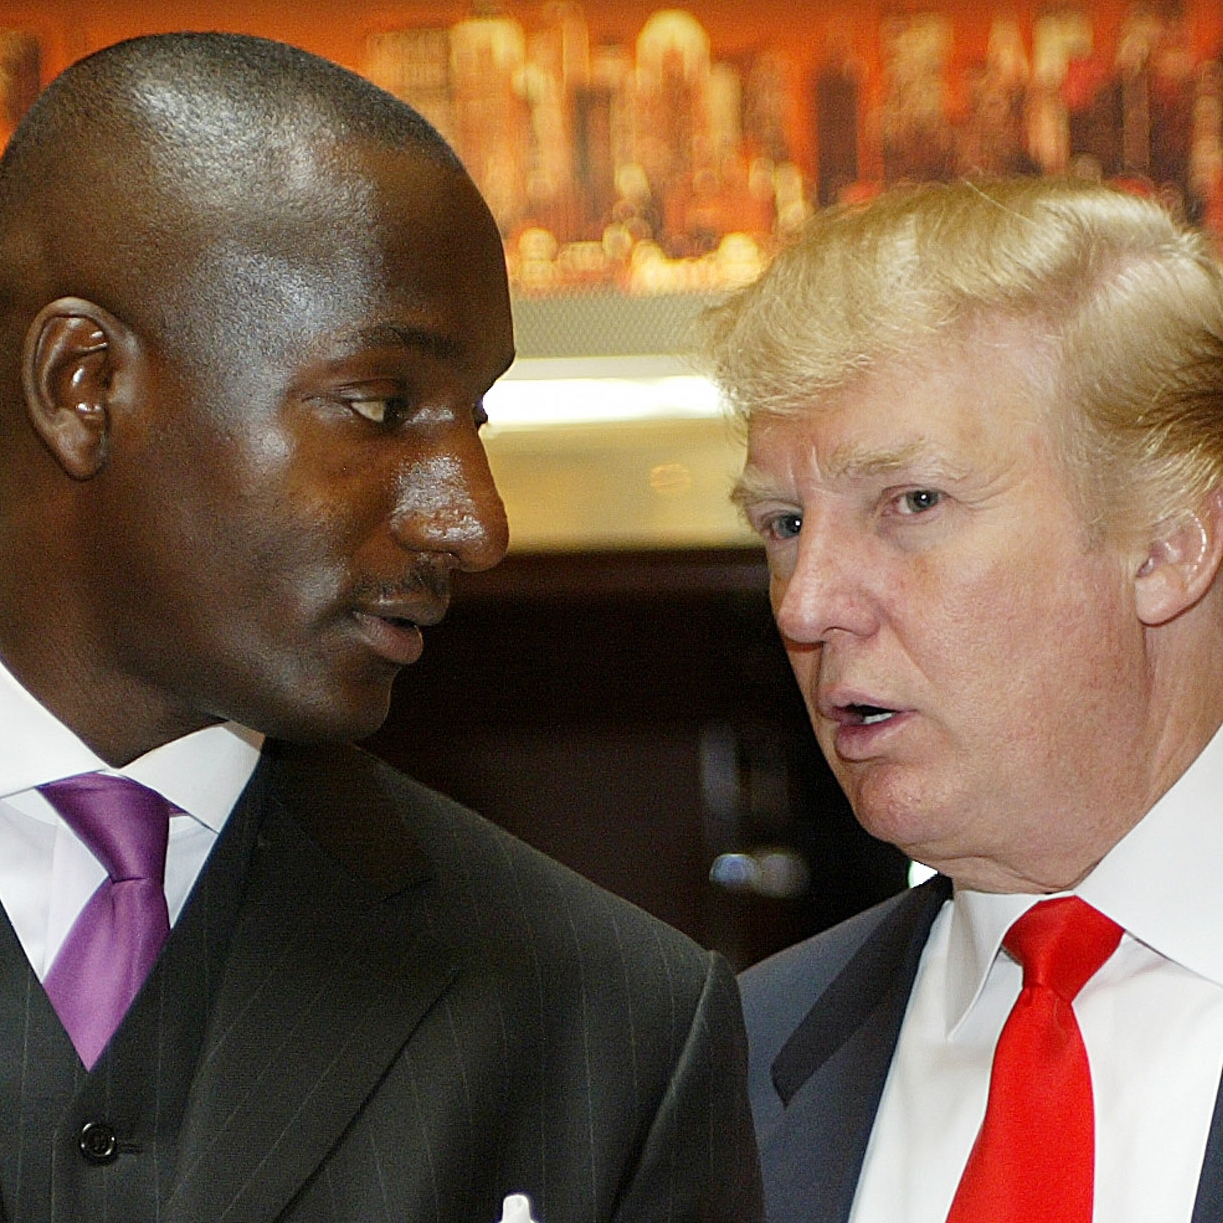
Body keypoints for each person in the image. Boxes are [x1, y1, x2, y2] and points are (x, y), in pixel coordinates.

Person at [0, 32, 763, 1223]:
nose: (474, 523)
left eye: (476, 420)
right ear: (83, 384)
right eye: (378, 403)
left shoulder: (606, 1017)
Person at [704, 177, 1223, 1223]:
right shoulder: (730, 1066)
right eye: (784, 525)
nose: (805, 604)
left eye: (911, 502)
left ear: (1166, 549)